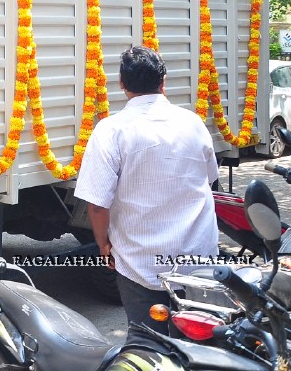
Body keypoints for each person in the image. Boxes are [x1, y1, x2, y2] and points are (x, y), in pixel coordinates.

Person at [74, 46, 218, 341]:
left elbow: (97, 206)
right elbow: (210, 179)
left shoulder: (110, 130)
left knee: (147, 345)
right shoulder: (193, 123)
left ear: (122, 84)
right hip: (197, 260)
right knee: (200, 347)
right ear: (163, 81)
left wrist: (103, 246)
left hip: (140, 262)